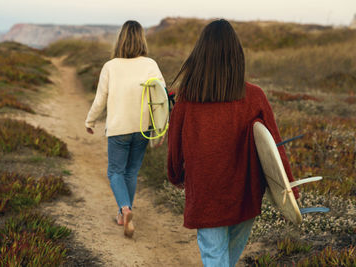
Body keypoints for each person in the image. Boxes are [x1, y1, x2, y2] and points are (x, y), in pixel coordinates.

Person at [167, 19, 298, 266]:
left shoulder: (187, 98)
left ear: (201, 55)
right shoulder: (254, 96)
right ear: (237, 56)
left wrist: (176, 175)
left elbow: (175, 148)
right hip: (244, 193)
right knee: (225, 258)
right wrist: (289, 191)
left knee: (216, 258)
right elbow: (275, 146)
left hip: (206, 194)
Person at [85, 20, 165, 238]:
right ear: (142, 39)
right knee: (131, 171)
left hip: (119, 129)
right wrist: (160, 131)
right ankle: (123, 214)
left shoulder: (110, 66)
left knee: (115, 171)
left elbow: (100, 99)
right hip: (142, 128)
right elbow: (161, 101)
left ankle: (125, 210)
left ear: (120, 39)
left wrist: (90, 121)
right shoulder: (150, 64)